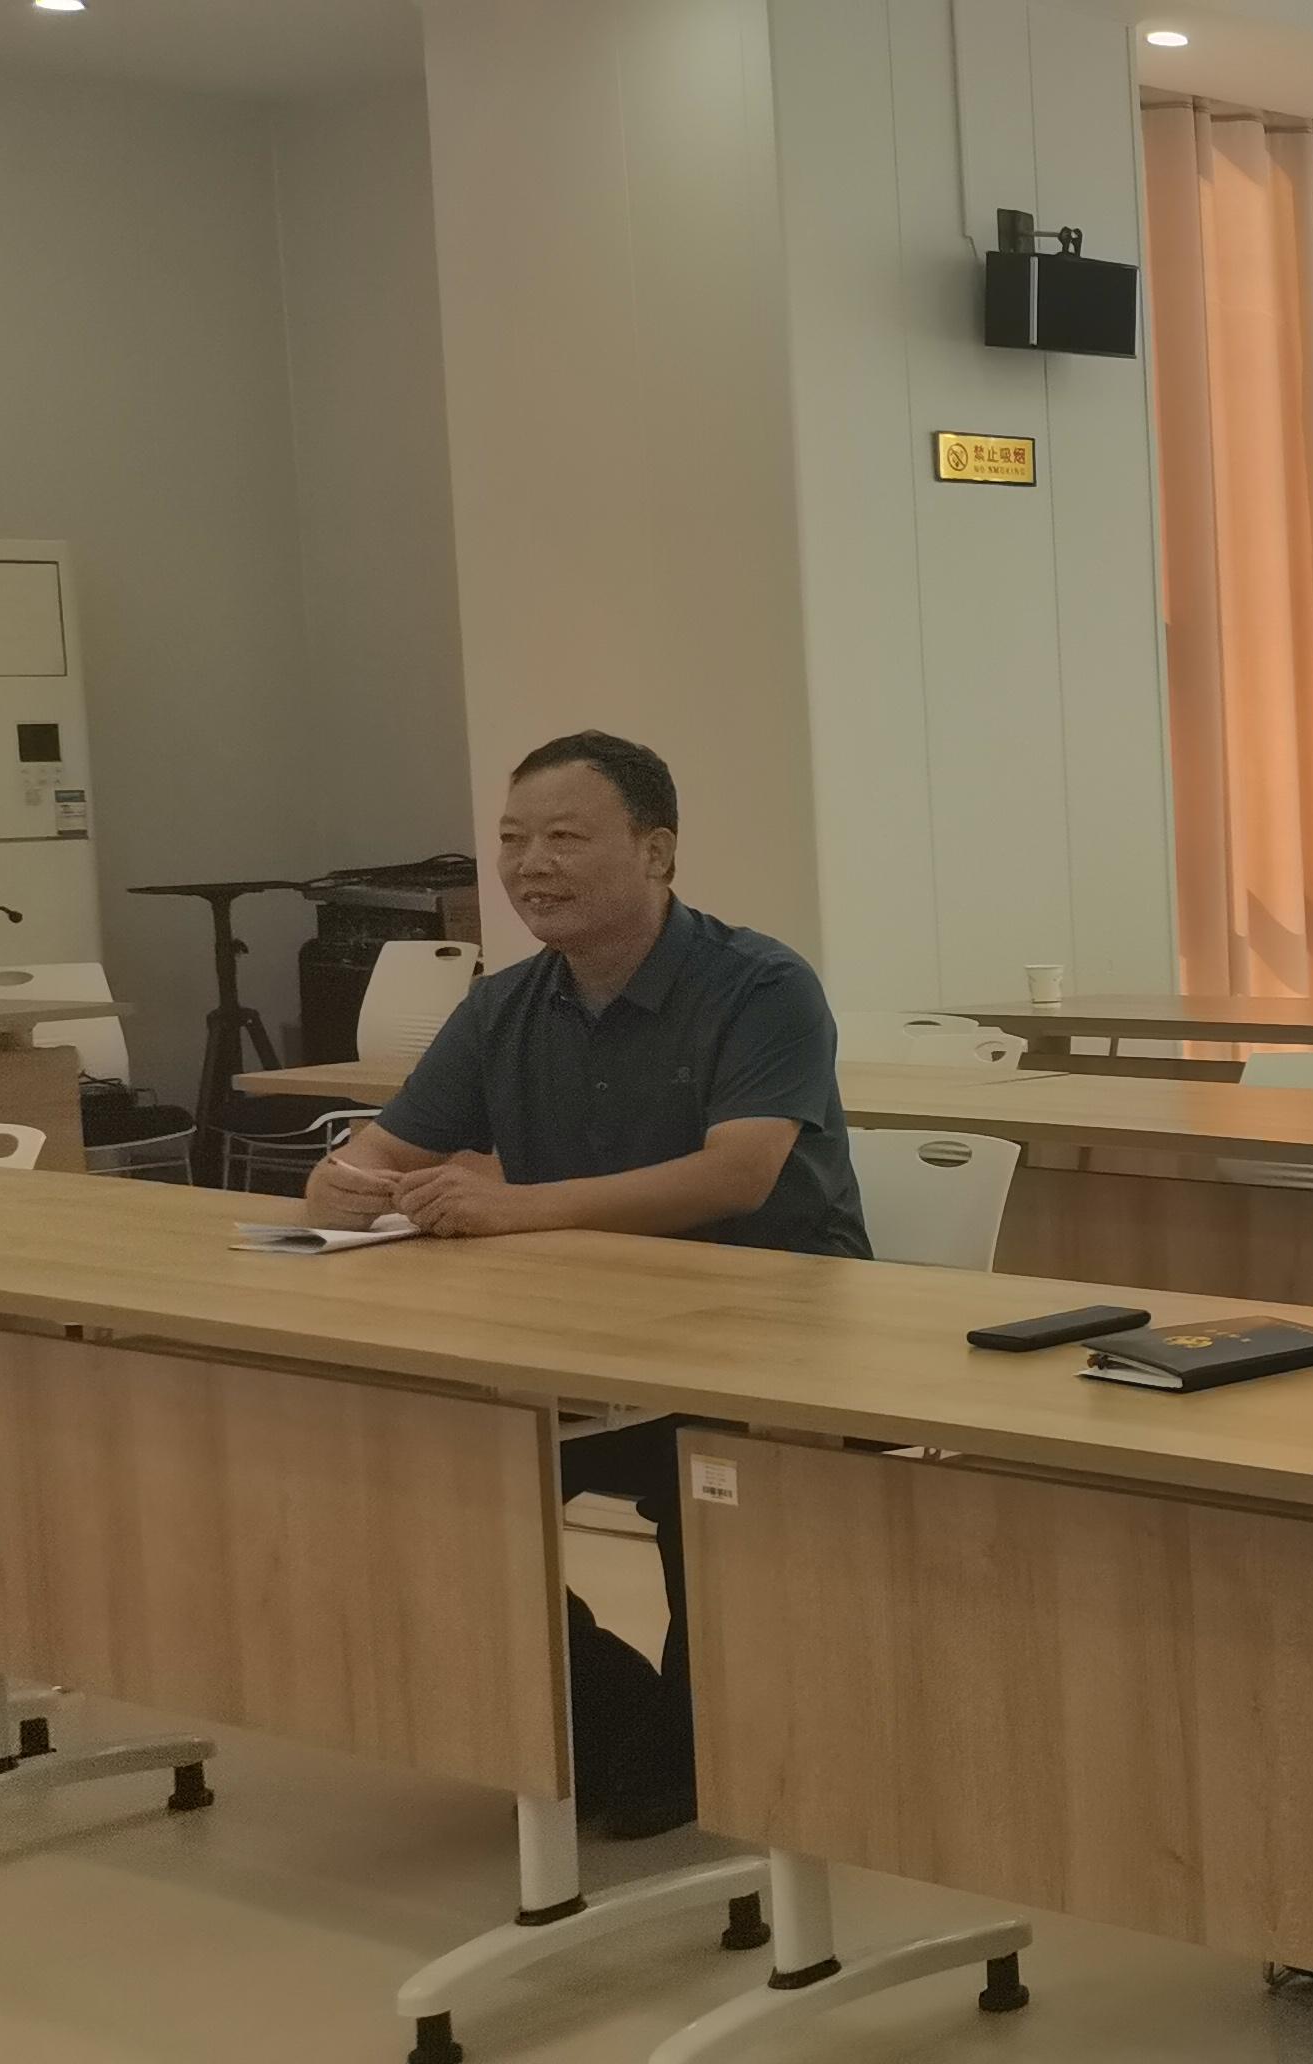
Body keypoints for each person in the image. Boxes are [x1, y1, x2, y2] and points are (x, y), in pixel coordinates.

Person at [299, 731, 867, 1840]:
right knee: (422, 1468)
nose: (530, 867)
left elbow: (737, 1175)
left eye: (564, 837)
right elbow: (377, 1153)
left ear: (656, 851)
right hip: (584, 1341)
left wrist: (514, 1205)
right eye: (513, 840)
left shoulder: (761, 985)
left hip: (771, 1340)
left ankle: (710, 1739)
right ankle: (621, 1717)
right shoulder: (504, 1004)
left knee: (712, 1481)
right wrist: (343, 1184)